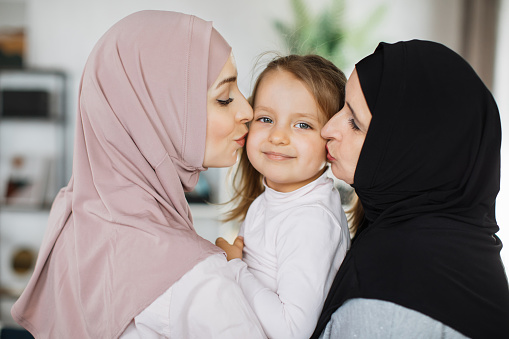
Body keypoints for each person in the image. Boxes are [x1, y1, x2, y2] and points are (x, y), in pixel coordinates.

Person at [10, 10, 267, 338]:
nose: (247, 110)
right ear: (157, 113)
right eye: (224, 98)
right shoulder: (195, 279)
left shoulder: (72, 220)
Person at [311, 39, 509, 339]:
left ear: (409, 153)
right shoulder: (469, 252)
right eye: (342, 108)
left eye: (355, 123)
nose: (328, 129)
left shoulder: (390, 281)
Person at [216, 55, 350, 338]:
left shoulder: (310, 220)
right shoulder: (274, 200)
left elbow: (291, 330)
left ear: (331, 140)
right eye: (266, 118)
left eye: (302, 125)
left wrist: (234, 267)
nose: (278, 136)